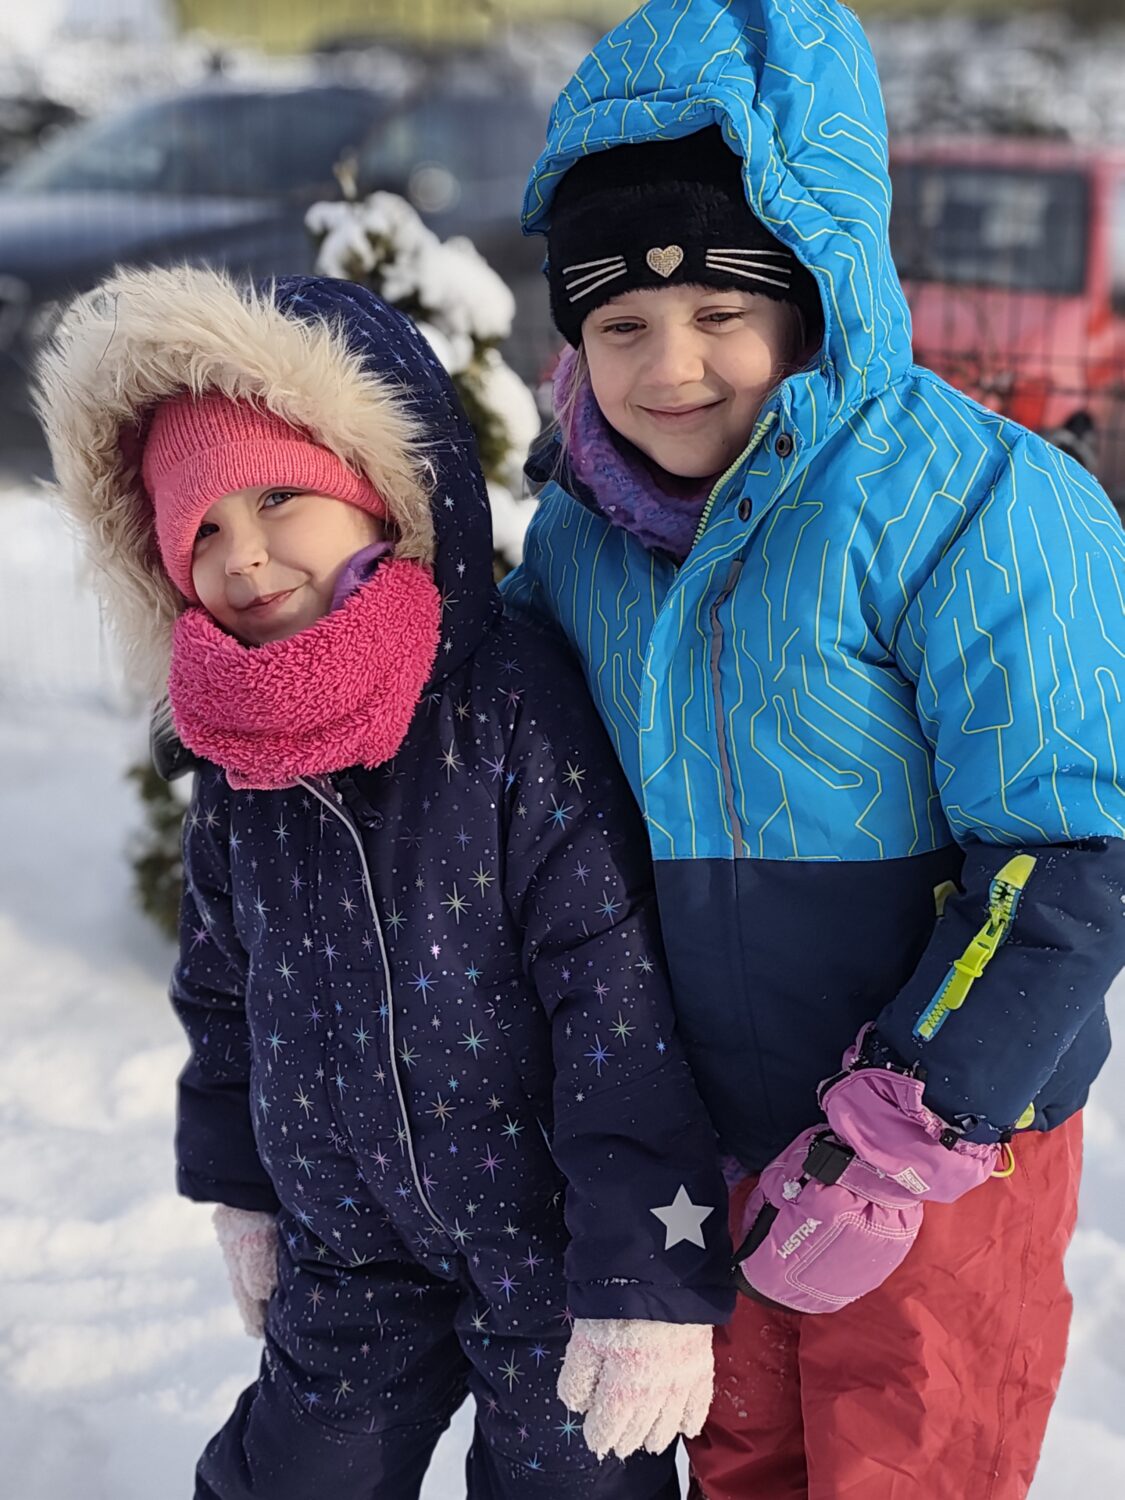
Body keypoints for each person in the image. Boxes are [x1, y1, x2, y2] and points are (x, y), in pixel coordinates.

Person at [503, 1, 1125, 1495]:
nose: (671, 366)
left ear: (816, 291)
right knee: (739, 1468)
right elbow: (504, 773)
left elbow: (1071, 849)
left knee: (906, 1468)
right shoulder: (581, 543)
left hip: (945, 1156)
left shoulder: (977, 506)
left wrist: (901, 1132)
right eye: (621, 325)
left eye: (723, 310)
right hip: (709, 1151)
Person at [35, 264, 736, 1499]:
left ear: (378, 488)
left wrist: (645, 1278)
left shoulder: (508, 710)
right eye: (201, 528)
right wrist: (241, 1187)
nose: (244, 555)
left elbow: (614, 1003)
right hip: (351, 1246)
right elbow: (222, 988)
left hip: (548, 1247)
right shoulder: (235, 750)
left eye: (279, 497)